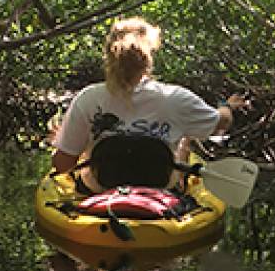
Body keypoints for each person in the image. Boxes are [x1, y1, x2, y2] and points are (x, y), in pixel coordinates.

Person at [51, 16, 246, 192]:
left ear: (108, 56)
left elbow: (63, 165)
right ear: (149, 57)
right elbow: (222, 123)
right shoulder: (176, 98)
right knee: (185, 138)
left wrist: (62, 141)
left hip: (100, 194)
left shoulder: (88, 98)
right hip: (159, 196)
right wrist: (227, 106)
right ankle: (179, 186)